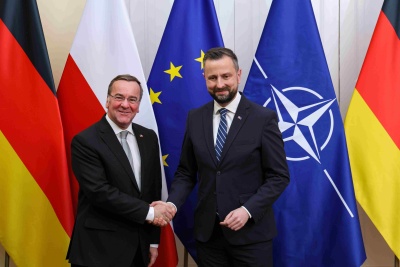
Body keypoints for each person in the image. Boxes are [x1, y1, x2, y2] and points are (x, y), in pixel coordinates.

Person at [156, 47, 290, 266]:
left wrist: (248, 210)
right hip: (209, 237)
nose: (219, 84)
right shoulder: (195, 118)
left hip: (251, 236)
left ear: (238, 74)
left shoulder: (263, 119)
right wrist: (172, 204)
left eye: (226, 76)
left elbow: (279, 176)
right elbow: (186, 172)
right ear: (204, 78)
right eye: (212, 78)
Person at [67, 74, 175, 267]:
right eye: (119, 97)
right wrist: (150, 213)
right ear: (107, 101)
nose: (125, 104)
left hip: (138, 250)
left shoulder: (148, 138)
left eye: (132, 99)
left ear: (139, 105)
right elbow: (100, 193)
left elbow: (152, 190)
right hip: (98, 251)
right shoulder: (86, 141)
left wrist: (152, 241)